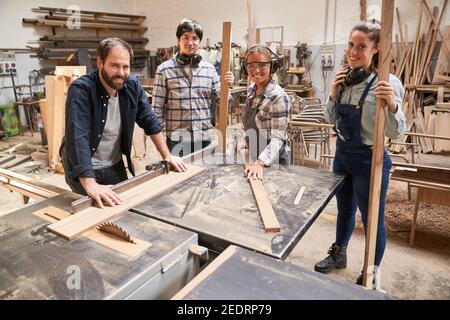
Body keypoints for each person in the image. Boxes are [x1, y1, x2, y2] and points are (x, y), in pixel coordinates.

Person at [314, 19, 406, 289]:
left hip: (370, 159)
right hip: (342, 154)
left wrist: (391, 104)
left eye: (362, 46)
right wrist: (332, 93)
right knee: (344, 210)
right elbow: (329, 120)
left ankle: (371, 271)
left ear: (376, 49)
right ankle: (339, 253)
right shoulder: (344, 78)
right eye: (351, 45)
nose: (353, 52)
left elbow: (397, 132)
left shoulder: (387, 83)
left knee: (371, 220)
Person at [60, 37, 186, 208]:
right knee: (95, 213)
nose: (121, 72)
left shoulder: (131, 85)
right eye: (114, 66)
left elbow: (148, 119)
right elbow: (77, 136)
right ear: (100, 62)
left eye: (125, 67)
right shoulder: (81, 90)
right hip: (83, 168)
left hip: (114, 164)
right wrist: (90, 184)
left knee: (124, 207)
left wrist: (167, 155)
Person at [152, 18, 234, 157]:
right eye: (186, 38)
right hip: (177, 140)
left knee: (205, 177)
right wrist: (159, 144)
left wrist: (228, 88)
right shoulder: (164, 70)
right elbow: (156, 109)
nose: (190, 42)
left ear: (199, 42)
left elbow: (223, 102)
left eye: (195, 38)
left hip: (204, 138)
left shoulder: (210, 70)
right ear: (178, 40)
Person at [240, 43, 291, 180]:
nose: (256, 71)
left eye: (262, 65)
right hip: (254, 155)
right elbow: (251, 124)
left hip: (273, 161)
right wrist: (245, 140)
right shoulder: (251, 89)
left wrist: (260, 163)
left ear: (272, 67)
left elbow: (278, 137)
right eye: (251, 66)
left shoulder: (278, 96)